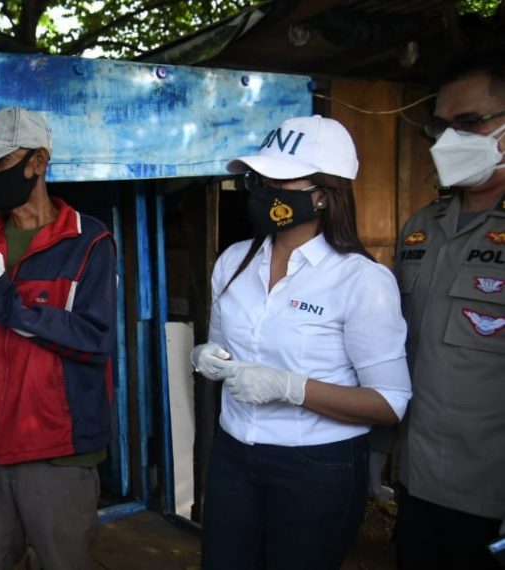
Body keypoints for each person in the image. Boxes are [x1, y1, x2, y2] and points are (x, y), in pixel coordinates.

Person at [192, 115, 412, 570]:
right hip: (234, 456)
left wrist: (291, 388)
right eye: (258, 178)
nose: (261, 190)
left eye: (277, 180)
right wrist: (207, 358)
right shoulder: (234, 260)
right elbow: (221, 345)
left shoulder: (362, 280)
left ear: (323, 195)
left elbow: (390, 402)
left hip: (315, 469)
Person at [0, 107, 116, 569]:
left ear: (37, 162)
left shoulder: (89, 242)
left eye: (1, 164)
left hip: (56, 450)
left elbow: (94, 339)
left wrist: (8, 303)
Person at [393, 51, 505, 570]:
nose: (449, 140)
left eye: (470, 123)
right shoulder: (421, 224)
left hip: (490, 494)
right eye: (440, 127)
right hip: (417, 481)